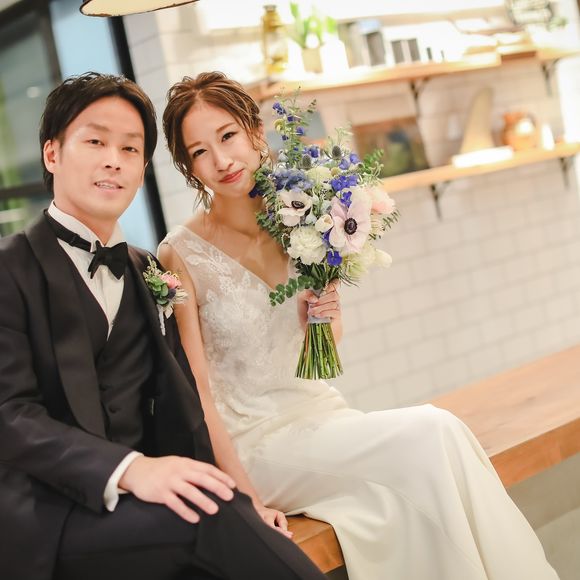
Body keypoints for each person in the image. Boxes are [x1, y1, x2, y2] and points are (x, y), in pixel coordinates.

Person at [159, 71, 560, 580]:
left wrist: (325, 317)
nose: (221, 160)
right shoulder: (180, 254)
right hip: (256, 444)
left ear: (255, 132)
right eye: (199, 151)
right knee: (431, 432)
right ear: (187, 165)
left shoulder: (302, 215)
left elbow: (323, 348)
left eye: (227, 136)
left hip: (322, 413)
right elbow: (197, 392)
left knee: (441, 440)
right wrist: (245, 500)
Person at [0, 71, 328, 580]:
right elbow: (10, 415)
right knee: (212, 520)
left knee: (228, 515)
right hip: (48, 520)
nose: (114, 159)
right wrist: (132, 470)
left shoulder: (148, 270)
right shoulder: (9, 269)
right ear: (52, 154)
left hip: (144, 517)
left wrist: (245, 502)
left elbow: (183, 402)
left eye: (130, 149)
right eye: (95, 141)